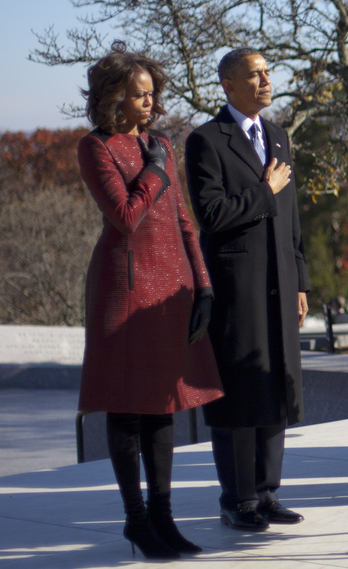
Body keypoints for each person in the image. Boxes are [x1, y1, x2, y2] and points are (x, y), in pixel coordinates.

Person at [77, 42, 224, 559]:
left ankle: (164, 517)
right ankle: (136, 521)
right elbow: (124, 216)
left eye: (152, 94)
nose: (150, 103)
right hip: (124, 287)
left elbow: (184, 221)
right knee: (126, 405)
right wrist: (157, 170)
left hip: (173, 287)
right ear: (114, 96)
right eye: (139, 95)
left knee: (163, 407)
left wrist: (202, 284)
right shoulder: (95, 147)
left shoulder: (159, 141)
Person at [185, 48, 310, 530]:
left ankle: (267, 492)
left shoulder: (277, 136)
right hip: (237, 286)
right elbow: (211, 215)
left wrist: (300, 280)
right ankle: (237, 499)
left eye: (267, 71)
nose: (265, 80)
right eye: (254, 74)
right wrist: (265, 191)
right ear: (228, 86)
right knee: (239, 390)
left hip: (280, 280)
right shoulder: (206, 141)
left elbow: (293, 219)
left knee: (274, 382)